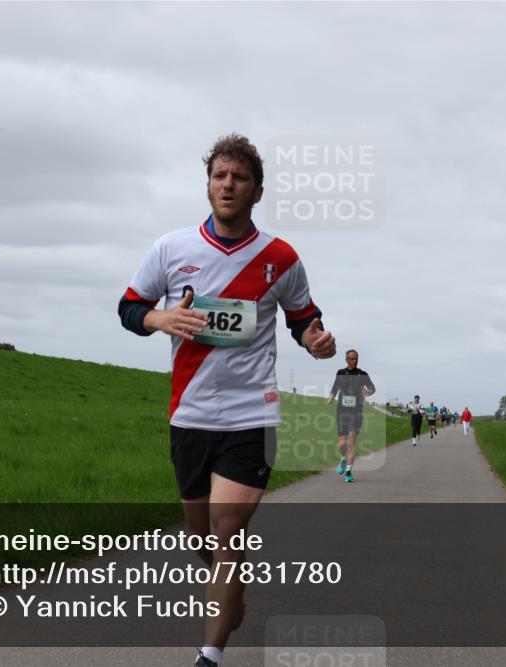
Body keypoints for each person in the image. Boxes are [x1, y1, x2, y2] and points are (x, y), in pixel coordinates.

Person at [118, 134, 336, 667]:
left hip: (250, 414)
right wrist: (160, 318)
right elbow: (129, 308)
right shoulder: (171, 249)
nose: (228, 185)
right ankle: (229, 598)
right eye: (220, 176)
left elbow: (303, 317)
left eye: (240, 178)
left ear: (257, 191)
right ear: (208, 185)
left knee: (228, 526)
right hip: (190, 414)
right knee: (204, 541)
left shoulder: (281, 258)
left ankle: (210, 654)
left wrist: (315, 340)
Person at [326, 349, 376, 483]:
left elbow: (372, 388)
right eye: (352, 359)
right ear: (346, 360)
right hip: (342, 411)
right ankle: (343, 458)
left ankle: (348, 471)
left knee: (352, 439)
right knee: (342, 443)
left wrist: (368, 392)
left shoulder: (362, 374)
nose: (355, 361)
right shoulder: (340, 373)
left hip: (356, 412)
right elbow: (335, 387)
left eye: (356, 359)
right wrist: (331, 398)